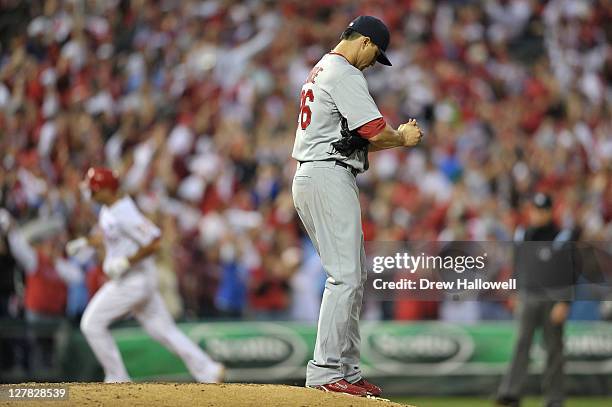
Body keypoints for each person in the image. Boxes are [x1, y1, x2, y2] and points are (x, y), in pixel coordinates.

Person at [291, 16, 423, 397]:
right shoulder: (345, 72)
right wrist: (403, 138)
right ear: (364, 42)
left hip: (316, 172)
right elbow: (376, 132)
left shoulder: (320, 68)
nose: (372, 62)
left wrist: (379, 141)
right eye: (375, 54)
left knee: (351, 275)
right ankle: (326, 370)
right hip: (326, 175)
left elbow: (354, 138)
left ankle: (346, 369)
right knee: (345, 277)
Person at [68, 167, 224, 383]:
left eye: (93, 188)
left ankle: (117, 377)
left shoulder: (124, 212)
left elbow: (155, 240)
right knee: (163, 331)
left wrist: (127, 261)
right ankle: (208, 370)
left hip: (134, 280)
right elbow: (108, 234)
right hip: (135, 279)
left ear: (106, 190)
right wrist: (86, 242)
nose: (89, 192)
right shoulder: (109, 208)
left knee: (91, 324)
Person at [496, 193, 574, 407]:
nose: (537, 214)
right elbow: (517, 266)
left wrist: (564, 302)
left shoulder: (561, 236)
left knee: (553, 349)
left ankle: (554, 398)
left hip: (552, 297)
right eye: (534, 210)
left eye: (541, 210)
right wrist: (513, 291)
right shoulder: (524, 234)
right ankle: (510, 393)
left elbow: (569, 272)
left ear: (549, 211)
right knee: (521, 344)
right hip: (528, 295)